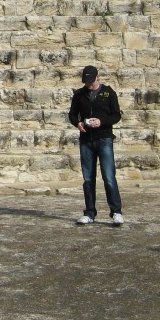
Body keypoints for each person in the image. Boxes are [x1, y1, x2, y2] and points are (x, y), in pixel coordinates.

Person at [68, 65, 124, 226]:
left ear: (97, 77)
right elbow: (72, 114)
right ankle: (89, 212)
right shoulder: (79, 94)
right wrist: (77, 123)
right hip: (86, 140)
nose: (89, 84)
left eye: (91, 81)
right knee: (88, 179)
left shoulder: (108, 93)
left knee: (109, 177)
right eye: (86, 81)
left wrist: (102, 122)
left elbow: (116, 115)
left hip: (104, 138)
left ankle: (116, 212)